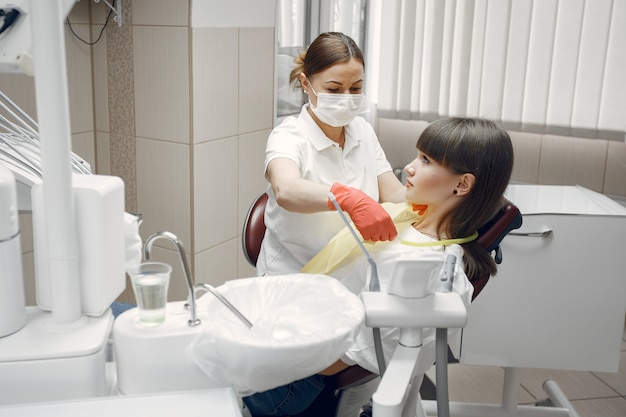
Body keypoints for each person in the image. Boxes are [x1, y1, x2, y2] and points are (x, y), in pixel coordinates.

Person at [243, 117, 514, 417]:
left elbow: (344, 356)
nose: (409, 167)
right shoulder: (409, 218)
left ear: (462, 184)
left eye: (426, 161)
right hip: (292, 333)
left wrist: (271, 357)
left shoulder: (424, 268)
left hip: (294, 374)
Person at [257, 32, 406, 277]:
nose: (347, 99)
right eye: (334, 89)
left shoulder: (363, 131)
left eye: (356, 88)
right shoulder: (288, 135)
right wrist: (346, 197)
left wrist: (428, 193)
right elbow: (286, 189)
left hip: (351, 270)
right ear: (306, 84)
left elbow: (391, 191)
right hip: (293, 275)